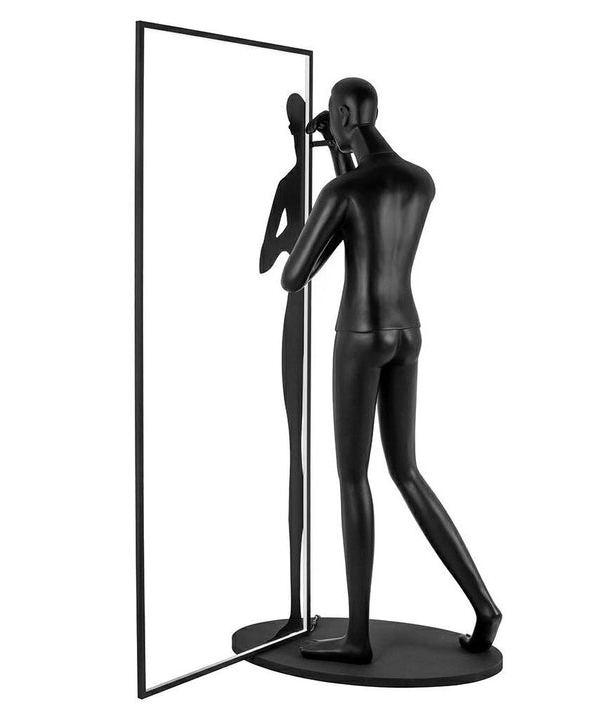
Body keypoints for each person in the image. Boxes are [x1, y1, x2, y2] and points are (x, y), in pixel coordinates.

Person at [281, 78, 501, 663]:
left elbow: (294, 275)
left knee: (353, 477)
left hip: (360, 335)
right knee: (407, 470)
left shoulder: (341, 189)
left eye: (333, 117)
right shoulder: (420, 181)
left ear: (342, 115)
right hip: (408, 331)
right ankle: (484, 607)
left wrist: (330, 188)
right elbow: (368, 215)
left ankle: (357, 639)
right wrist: (338, 160)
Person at [259, 93, 306, 637]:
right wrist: (296, 236)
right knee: (297, 449)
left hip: (332, 317)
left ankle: (304, 607)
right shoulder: (291, 185)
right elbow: (265, 257)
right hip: (300, 313)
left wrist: (296, 239)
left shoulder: (331, 182)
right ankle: (296, 607)